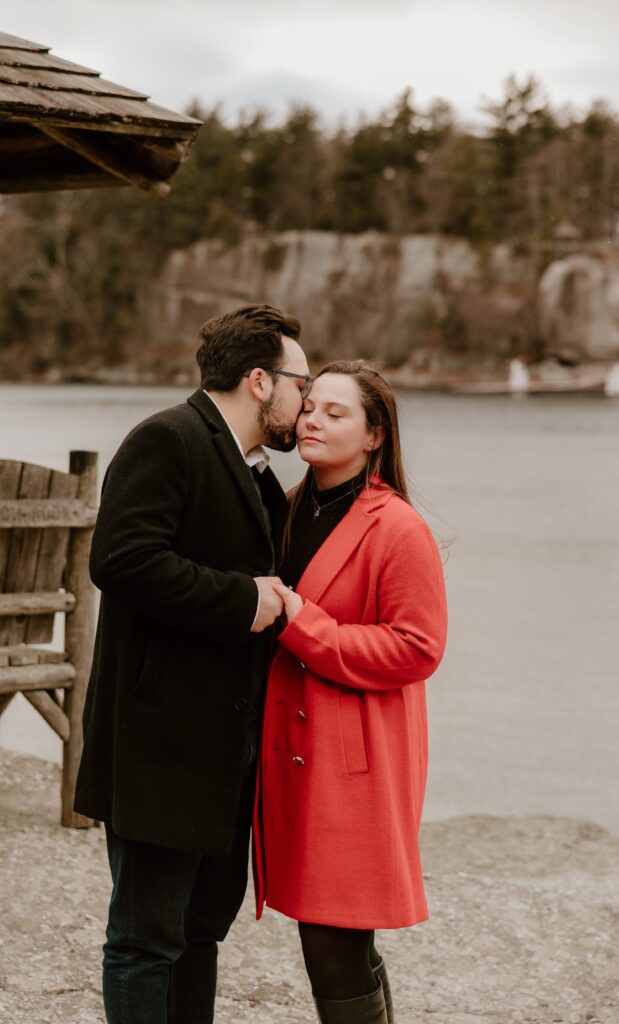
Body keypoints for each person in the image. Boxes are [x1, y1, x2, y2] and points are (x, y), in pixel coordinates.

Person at [74, 304, 310, 1024]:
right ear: (260, 381)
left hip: (221, 752)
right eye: (301, 383)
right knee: (145, 939)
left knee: (201, 932)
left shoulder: (257, 471)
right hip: (158, 743)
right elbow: (119, 560)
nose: (306, 400)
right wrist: (242, 599)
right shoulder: (167, 439)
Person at [254, 361, 448, 1024]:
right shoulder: (283, 509)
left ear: (373, 436)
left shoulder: (398, 528)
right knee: (339, 941)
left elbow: (417, 649)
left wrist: (304, 623)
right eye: (310, 405)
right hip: (289, 752)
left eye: (335, 413)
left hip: (353, 760)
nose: (311, 419)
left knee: (333, 939)